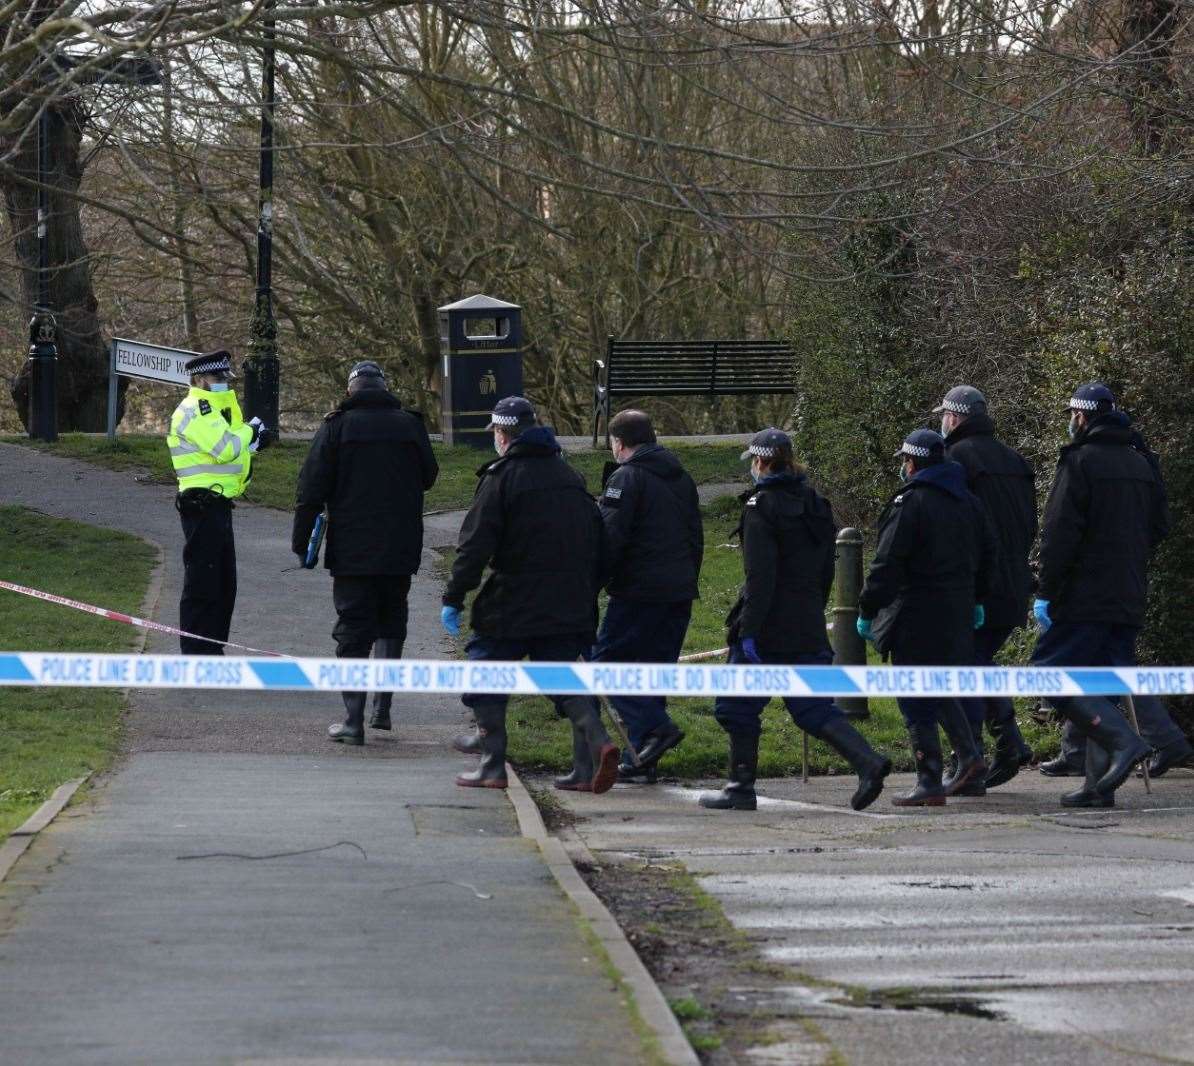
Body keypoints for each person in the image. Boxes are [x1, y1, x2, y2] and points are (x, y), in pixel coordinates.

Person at [700, 430, 892, 812]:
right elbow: (826, 570)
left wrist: (749, 631)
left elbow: (760, 578)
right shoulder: (816, 503)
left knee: (734, 708)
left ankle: (740, 786)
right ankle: (867, 762)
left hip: (767, 626)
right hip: (805, 622)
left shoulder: (760, 507)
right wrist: (809, 610)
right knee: (812, 708)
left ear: (760, 462)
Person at [441, 396, 618, 792]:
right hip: (569, 599)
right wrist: (587, 590)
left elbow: (474, 546)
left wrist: (455, 595)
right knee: (562, 676)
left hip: (514, 596)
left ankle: (491, 764)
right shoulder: (571, 477)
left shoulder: (501, 478)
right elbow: (601, 543)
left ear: (503, 435)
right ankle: (597, 746)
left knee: (484, 669)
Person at [1029, 383, 1181, 806]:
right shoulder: (1140, 462)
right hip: (1128, 592)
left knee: (1050, 673)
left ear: (1081, 417)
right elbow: (1159, 527)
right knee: (1104, 681)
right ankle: (1098, 787)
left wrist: (1047, 591)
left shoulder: (1079, 461)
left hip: (1083, 596)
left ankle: (1124, 744)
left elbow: (1059, 535)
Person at [292, 361, 438, 745]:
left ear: (351, 390)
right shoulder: (410, 425)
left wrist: (301, 541)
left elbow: (311, 487)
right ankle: (382, 710)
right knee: (392, 622)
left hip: (353, 548)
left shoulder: (337, 426)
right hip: (400, 546)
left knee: (353, 630)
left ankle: (353, 720)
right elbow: (430, 475)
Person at [857, 429, 998, 806]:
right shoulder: (968, 501)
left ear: (913, 462)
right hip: (958, 613)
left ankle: (929, 779)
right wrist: (978, 600)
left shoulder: (911, 502)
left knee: (916, 697)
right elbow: (989, 556)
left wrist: (868, 609)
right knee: (939, 687)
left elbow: (888, 564)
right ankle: (969, 757)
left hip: (917, 615)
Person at [590, 409, 703, 783]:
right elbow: (695, 536)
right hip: (678, 591)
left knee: (607, 665)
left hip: (638, 591)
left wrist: (590, 586)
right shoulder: (681, 476)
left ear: (618, 443)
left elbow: (610, 538)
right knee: (653, 674)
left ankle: (655, 729)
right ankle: (642, 761)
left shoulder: (626, 477)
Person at [937, 385, 1037, 790]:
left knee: (962, 669)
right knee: (978, 662)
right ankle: (1007, 742)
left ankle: (970, 757)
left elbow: (958, 529)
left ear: (955, 418)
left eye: (943, 414)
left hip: (976, 585)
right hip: (1014, 582)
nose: (940, 422)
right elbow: (1029, 523)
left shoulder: (955, 460)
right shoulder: (1013, 459)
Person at [168, 350, 275, 655]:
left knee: (223, 584)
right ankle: (196, 654)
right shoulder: (196, 410)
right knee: (203, 583)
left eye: (225, 378)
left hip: (218, 504)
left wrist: (253, 445)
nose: (223, 384)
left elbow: (228, 453)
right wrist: (250, 431)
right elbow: (225, 447)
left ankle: (213, 650)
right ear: (200, 378)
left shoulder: (218, 411)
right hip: (201, 505)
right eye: (217, 378)